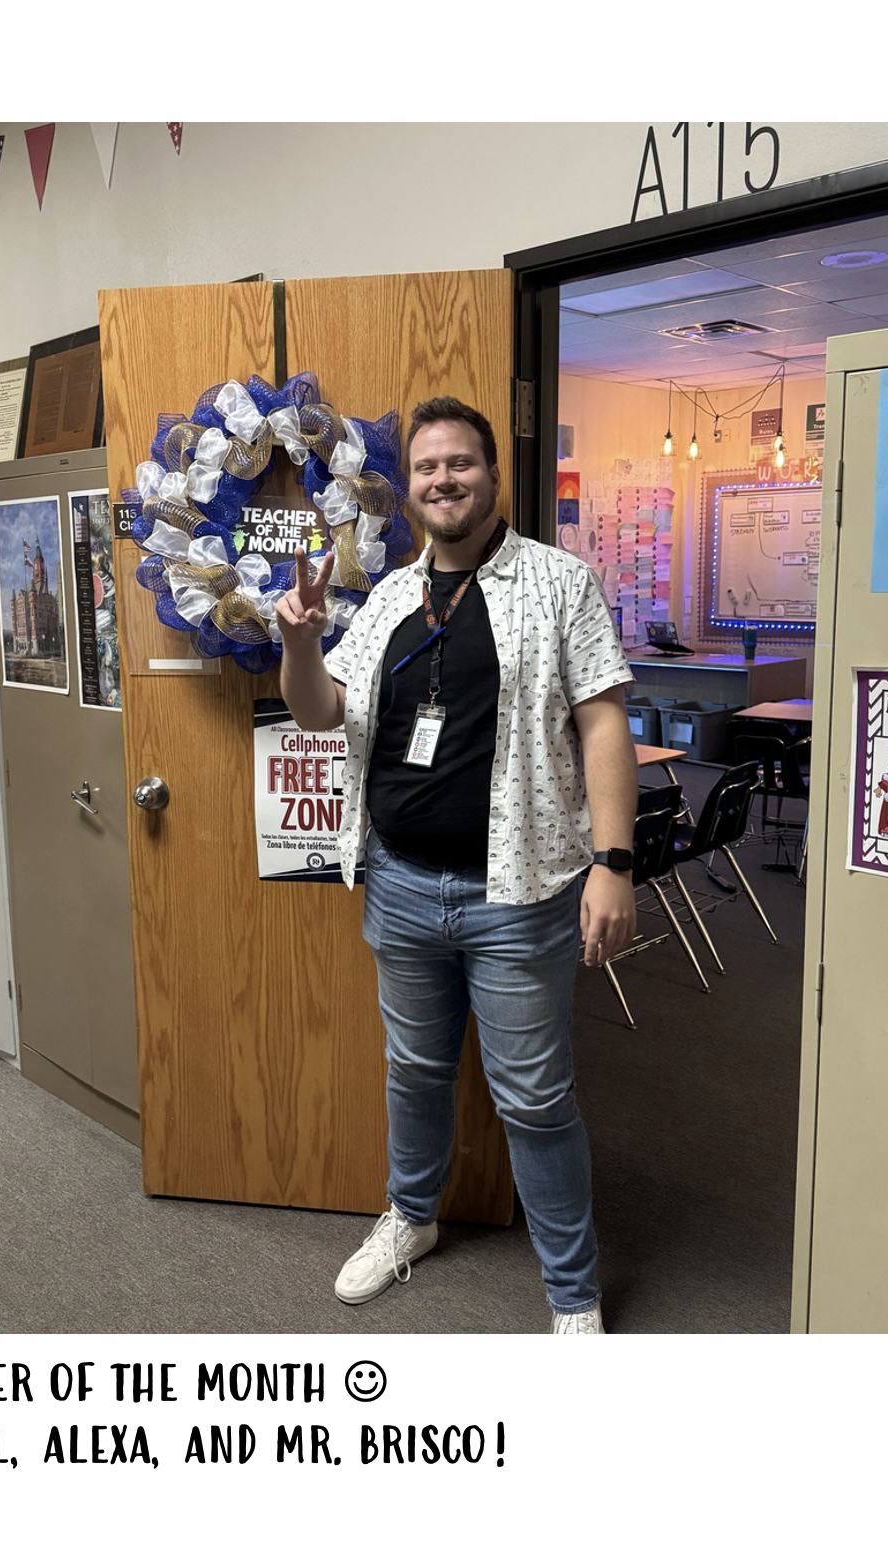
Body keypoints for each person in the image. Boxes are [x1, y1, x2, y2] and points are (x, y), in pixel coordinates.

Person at [274, 396, 636, 1334]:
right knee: (415, 1070)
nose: (444, 480)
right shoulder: (392, 597)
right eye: (428, 468)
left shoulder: (561, 583)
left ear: (490, 475)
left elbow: (603, 722)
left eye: (460, 464)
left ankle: (573, 1295)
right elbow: (318, 712)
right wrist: (299, 640)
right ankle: (411, 1219)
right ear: (413, 488)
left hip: (516, 894)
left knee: (536, 1098)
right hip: (397, 883)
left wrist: (615, 862)